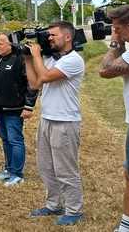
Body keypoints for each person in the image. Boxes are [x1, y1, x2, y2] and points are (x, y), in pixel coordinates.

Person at [24, 21, 85, 226]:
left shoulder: (73, 60)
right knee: (46, 167)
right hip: (47, 119)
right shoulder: (51, 59)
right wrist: (27, 58)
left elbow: (46, 77)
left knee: (65, 169)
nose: (49, 38)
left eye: (53, 35)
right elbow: (35, 83)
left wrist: (36, 56)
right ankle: (53, 205)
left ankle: (74, 210)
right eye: (48, 35)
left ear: (68, 37)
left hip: (65, 122)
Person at [98, 5, 129, 232]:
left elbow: (105, 70)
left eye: (118, 29)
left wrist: (115, 42)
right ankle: (126, 227)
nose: (115, 33)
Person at [0, 33, 39, 187]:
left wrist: (29, 105)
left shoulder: (20, 60)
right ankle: (8, 170)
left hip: (14, 108)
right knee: (5, 139)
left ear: (11, 44)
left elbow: (32, 84)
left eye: (1, 43)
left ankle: (17, 174)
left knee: (15, 140)